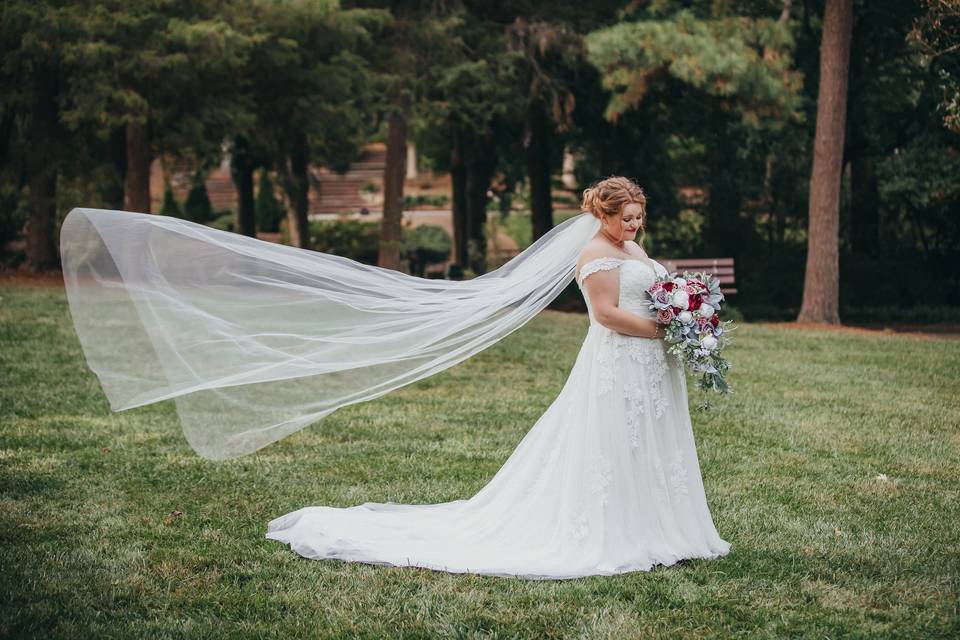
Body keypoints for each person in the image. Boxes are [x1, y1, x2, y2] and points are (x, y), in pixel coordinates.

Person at [264, 176, 731, 578]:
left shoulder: (632, 247)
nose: (634, 225)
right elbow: (605, 315)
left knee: (650, 440)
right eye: (626, 218)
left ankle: (660, 526)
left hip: (652, 362)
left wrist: (682, 316)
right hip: (621, 359)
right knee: (615, 442)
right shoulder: (595, 255)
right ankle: (619, 533)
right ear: (604, 215)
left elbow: (651, 291)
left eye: (638, 217)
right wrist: (663, 329)